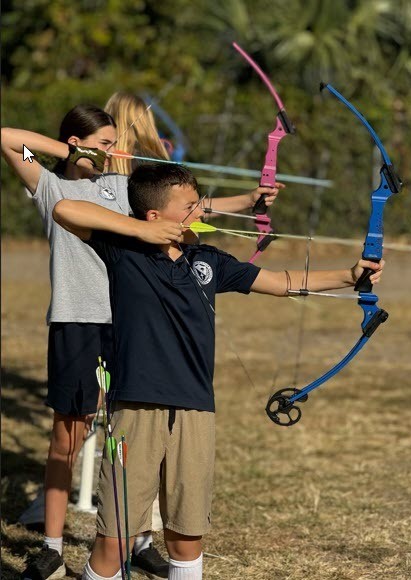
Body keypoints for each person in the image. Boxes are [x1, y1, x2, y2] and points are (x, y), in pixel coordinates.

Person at [52, 162, 384, 580]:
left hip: (195, 408)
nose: (202, 211)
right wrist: (140, 231)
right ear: (154, 215)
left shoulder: (205, 259)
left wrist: (349, 276)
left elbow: (280, 281)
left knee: (186, 535)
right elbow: (64, 209)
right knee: (116, 539)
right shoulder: (124, 249)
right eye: (191, 206)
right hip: (136, 409)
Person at [1, 105, 281, 580]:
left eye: (114, 143)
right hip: (78, 319)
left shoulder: (118, 186)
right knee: (69, 436)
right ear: (75, 143)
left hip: (129, 323)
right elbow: (10, 139)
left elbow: (186, 209)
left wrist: (250, 200)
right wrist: (71, 152)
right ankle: (52, 547)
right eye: (103, 144)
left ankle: (139, 540)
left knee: (135, 434)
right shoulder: (46, 181)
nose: (112, 152)